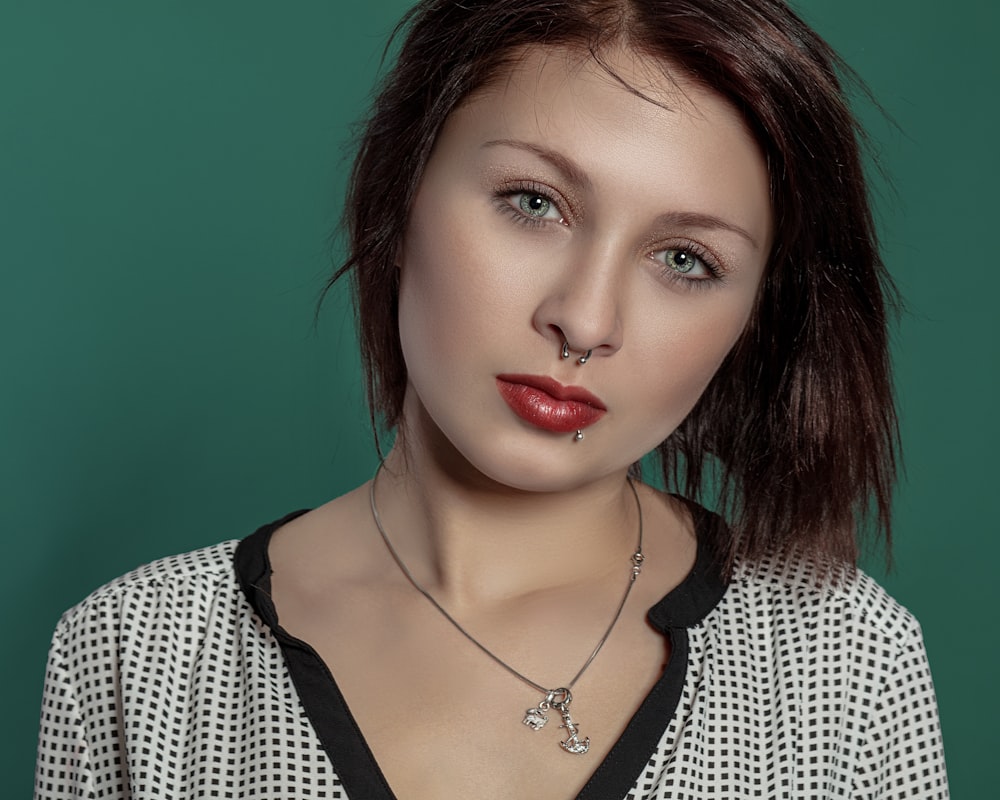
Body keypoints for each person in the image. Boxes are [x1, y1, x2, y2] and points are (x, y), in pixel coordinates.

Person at [34, 1, 949, 798]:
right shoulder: (136, 653)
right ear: (401, 192)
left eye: (686, 260)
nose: (584, 320)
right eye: (533, 202)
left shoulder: (846, 664)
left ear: (752, 318)